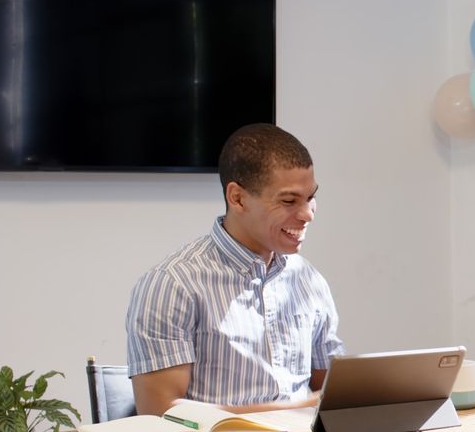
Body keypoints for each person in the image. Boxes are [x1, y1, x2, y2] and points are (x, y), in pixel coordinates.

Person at [126, 123, 345, 416]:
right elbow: (160, 413)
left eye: (310, 198)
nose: (307, 215)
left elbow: (335, 390)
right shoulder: (172, 284)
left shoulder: (308, 280)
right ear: (238, 198)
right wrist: (296, 409)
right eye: (289, 201)